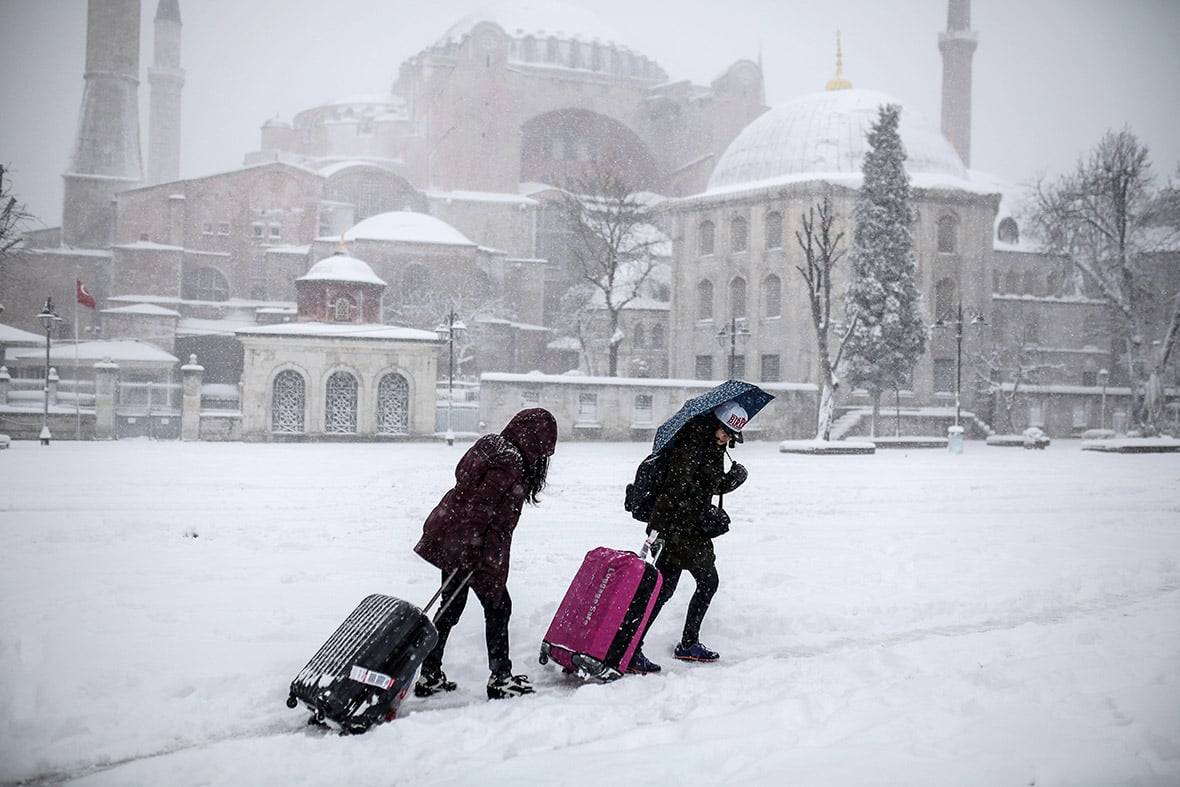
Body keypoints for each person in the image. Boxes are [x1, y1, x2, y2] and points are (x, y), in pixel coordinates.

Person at [413, 408, 558, 700]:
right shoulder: (511, 461)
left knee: (450, 605)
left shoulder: (492, 444)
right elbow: (480, 508)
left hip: (453, 534)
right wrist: (471, 551)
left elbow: (465, 484)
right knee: (498, 607)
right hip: (473, 544)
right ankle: (500, 678)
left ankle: (430, 673)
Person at [628, 401, 748, 674]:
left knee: (678, 587)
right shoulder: (692, 444)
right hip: (680, 529)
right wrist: (656, 530)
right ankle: (638, 647)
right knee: (675, 588)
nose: (727, 439)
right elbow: (675, 490)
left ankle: (676, 644)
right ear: (715, 424)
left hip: (690, 529)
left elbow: (709, 484)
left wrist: (732, 480)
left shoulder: (711, 446)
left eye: (731, 436)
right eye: (726, 432)